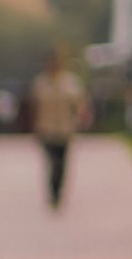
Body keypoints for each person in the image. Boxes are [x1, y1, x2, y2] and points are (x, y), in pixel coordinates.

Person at [32, 49, 89, 208]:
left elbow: (79, 103)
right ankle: (52, 192)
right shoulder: (41, 82)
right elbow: (35, 105)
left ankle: (59, 192)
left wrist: (80, 118)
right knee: (52, 161)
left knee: (62, 163)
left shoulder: (71, 82)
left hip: (65, 129)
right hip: (47, 128)